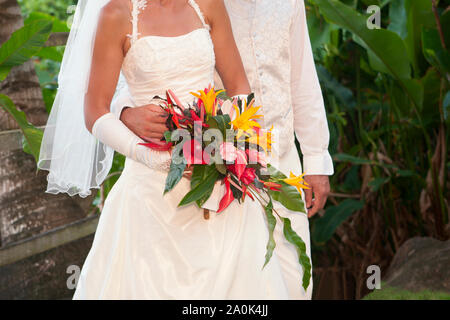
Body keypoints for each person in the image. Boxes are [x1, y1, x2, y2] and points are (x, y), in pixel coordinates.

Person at [112, 0, 334, 299]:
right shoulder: (199, 3)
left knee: (295, 281)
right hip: (218, 170)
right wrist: (125, 111)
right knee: (239, 287)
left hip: (283, 161)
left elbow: (302, 79)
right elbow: (147, 67)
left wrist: (316, 160)